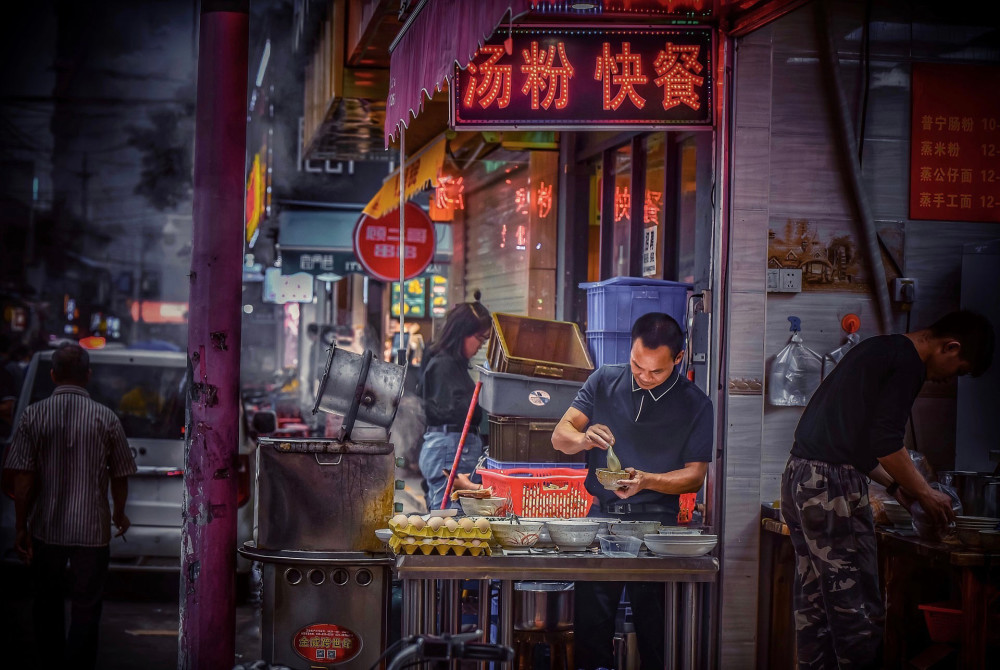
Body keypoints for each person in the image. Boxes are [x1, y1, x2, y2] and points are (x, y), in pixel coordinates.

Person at [780, 310, 994, 669]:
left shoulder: (881, 348)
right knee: (858, 612)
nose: (949, 380)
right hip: (831, 489)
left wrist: (898, 488)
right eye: (957, 370)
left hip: (800, 477)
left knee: (816, 607)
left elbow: (858, 442)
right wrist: (925, 492)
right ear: (950, 346)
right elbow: (886, 442)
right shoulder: (908, 363)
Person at [551, 312, 713, 669]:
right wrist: (583, 438)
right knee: (591, 637)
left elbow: (694, 477)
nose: (644, 376)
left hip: (659, 531)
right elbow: (559, 436)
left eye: (656, 371)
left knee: (658, 638)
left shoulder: (696, 404)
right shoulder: (605, 379)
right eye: (637, 365)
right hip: (601, 523)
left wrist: (647, 480)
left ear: (679, 358)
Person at [2, 343, 136, 670]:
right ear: (88, 376)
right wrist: (119, 513)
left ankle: (51, 663)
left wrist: (22, 526)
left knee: (46, 604)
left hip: (45, 529)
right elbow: (120, 475)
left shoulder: (33, 415)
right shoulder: (106, 418)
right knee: (86, 608)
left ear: (52, 374)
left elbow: (23, 478)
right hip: (92, 532)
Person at [418, 301, 492, 510]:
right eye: (479, 338)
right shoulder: (443, 366)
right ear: (461, 332)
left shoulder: (448, 364)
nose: (481, 345)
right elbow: (454, 410)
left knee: (447, 515)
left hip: (448, 447)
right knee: (451, 518)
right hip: (451, 449)